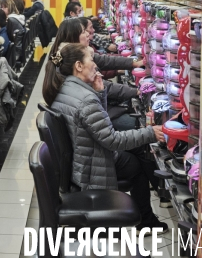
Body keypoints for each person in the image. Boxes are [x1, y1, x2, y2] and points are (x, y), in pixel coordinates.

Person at [42, 43, 168, 233]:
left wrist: (100, 93)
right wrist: (151, 132)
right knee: (138, 163)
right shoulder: (85, 99)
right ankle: (147, 219)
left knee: (136, 158)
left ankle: (148, 220)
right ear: (78, 66)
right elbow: (112, 140)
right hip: (92, 169)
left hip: (82, 162)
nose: (96, 64)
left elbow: (95, 124)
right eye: (91, 59)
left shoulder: (67, 87)